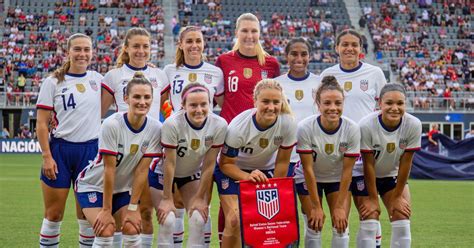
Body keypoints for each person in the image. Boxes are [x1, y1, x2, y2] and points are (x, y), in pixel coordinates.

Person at [214, 12, 280, 242]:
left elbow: (276, 102)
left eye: (254, 31)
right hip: (232, 141)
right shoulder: (224, 60)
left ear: (260, 34)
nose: (249, 35)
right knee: (228, 210)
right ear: (236, 32)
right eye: (245, 30)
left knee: (258, 208)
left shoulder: (271, 64)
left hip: (260, 146)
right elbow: (222, 100)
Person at [75, 72, 162, 247]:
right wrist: (106, 210)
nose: (142, 102)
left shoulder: (155, 128)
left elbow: (141, 171)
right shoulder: (112, 124)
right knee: (106, 230)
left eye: (147, 97)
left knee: (132, 227)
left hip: (122, 189)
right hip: (93, 185)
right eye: (136, 96)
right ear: (125, 98)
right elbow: (109, 169)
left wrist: (132, 208)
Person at [100, 27, 168, 247]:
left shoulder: (159, 75)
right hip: (121, 151)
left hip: (148, 149)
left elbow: (164, 110)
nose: (141, 50)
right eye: (136, 46)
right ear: (126, 48)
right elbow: (98, 114)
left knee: (145, 211)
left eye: (145, 46)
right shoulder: (113, 76)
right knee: (119, 215)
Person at [320, 28, 387, 247]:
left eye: (354, 45)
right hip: (336, 154)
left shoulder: (374, 73)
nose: (349, 48)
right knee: (341, 217)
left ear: (361, 49)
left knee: (369, 212)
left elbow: (383, 108)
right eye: (345, 44)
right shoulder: (328, 75)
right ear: (337, 48)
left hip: (365, 151)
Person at [36, 33, 103, 248]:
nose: (82, 54)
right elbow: (41, 123)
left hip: (91, 152)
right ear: (68, 52)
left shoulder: (98, 79)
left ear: (92, 52)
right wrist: (47, 156)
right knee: (53, 215)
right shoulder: (53, 82)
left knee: (87, 216)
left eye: (86, 49)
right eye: (78, 49)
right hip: (60, 152)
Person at [161, 25, 224, 247]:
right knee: (173, 210)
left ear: (204, 43)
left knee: (199, 209)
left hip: (199, 147)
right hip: (175, 139)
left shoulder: (215, 73)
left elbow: (224, 107)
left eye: (198, 40)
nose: (194, 45)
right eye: (189, 41)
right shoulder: (169, 70)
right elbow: (157, 103)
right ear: (181, 44)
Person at [215, 79, 297, 247]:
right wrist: (248, 176)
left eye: (276, 102)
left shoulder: (288, 123)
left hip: (266, 170)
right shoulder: (239, 127)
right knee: (235, 220)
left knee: (269, 221)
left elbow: (282, 162)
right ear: (255, 101)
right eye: (265, 101)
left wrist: (274, 188)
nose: (271, 107)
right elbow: (226, 164)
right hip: (233, 169)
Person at [150, 83, 227, 247]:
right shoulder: (172, 124)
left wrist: (200, 197)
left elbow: (209, 163)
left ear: (210, 104)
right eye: (193, 105)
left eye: (203, 104)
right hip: (162, 173)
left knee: (198, 217)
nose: (199, 109)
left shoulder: (219, 124)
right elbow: (170, 163)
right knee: (168, 218)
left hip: (190, 173)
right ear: (183, 106)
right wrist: (167, 198)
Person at [294, 76, 360, 248]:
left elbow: (347, 171)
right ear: (318, 104)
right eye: (327, 103)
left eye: (338, 103)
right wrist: (316, 206)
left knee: (341, 226)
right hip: (309, 178)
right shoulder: (305, 127)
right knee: (314, 224)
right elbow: (308, 169)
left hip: (337, 178)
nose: (333, 108)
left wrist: (339, 207)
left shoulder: (352, 129)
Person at [358, 84, 422, 248]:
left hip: (391, 175)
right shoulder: (366, 125)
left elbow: (406, 163)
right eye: (389, 103)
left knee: (401, 215)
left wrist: (398, 196)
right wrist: (373, 198)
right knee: (370, 217)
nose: (395, 108)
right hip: (363, 175)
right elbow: (368, 164)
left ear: (405, 105)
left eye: (400, 103)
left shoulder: (413, 124)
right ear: (380, 104)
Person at [275, 37, 321, 176]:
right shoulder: (276, 84)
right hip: (284, 154)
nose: (299, 58)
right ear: (286, 56)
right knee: (286, 198)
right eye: (294, 54)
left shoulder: (320, 83)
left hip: (314, 152)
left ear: (310, 56)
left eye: (304, 54)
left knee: (314, 197)